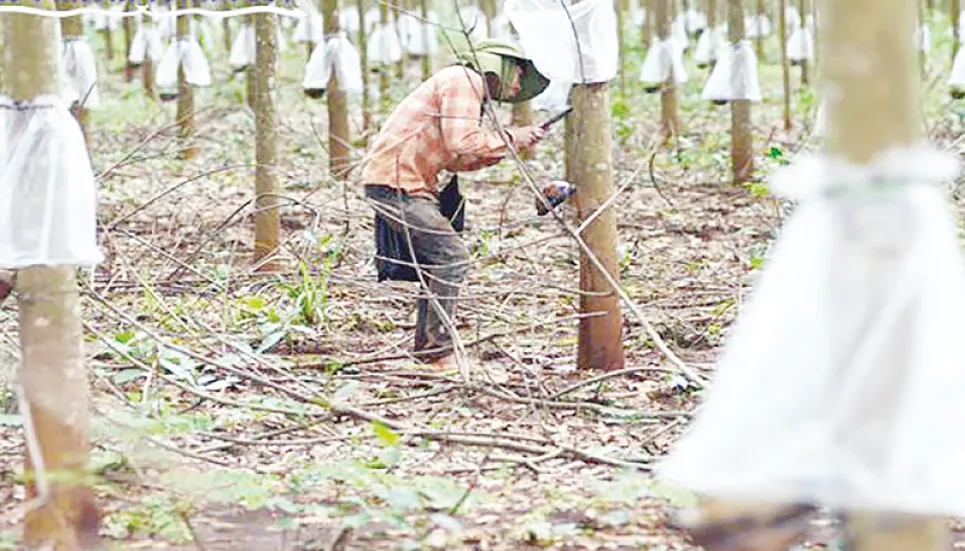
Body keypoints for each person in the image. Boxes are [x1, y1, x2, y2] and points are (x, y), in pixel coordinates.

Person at [360, 38, 551, 371]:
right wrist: (512, 136)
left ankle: (430, 351)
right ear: (500, 66)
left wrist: (508, 145)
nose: (519, 85)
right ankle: (437, 354)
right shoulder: (465, 80)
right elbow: (462, 141)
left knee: (440, 261)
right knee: (450, 257)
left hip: (401, 181)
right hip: (398, 182)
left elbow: (456, 158)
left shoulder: (461, 84)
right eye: (519, 74)